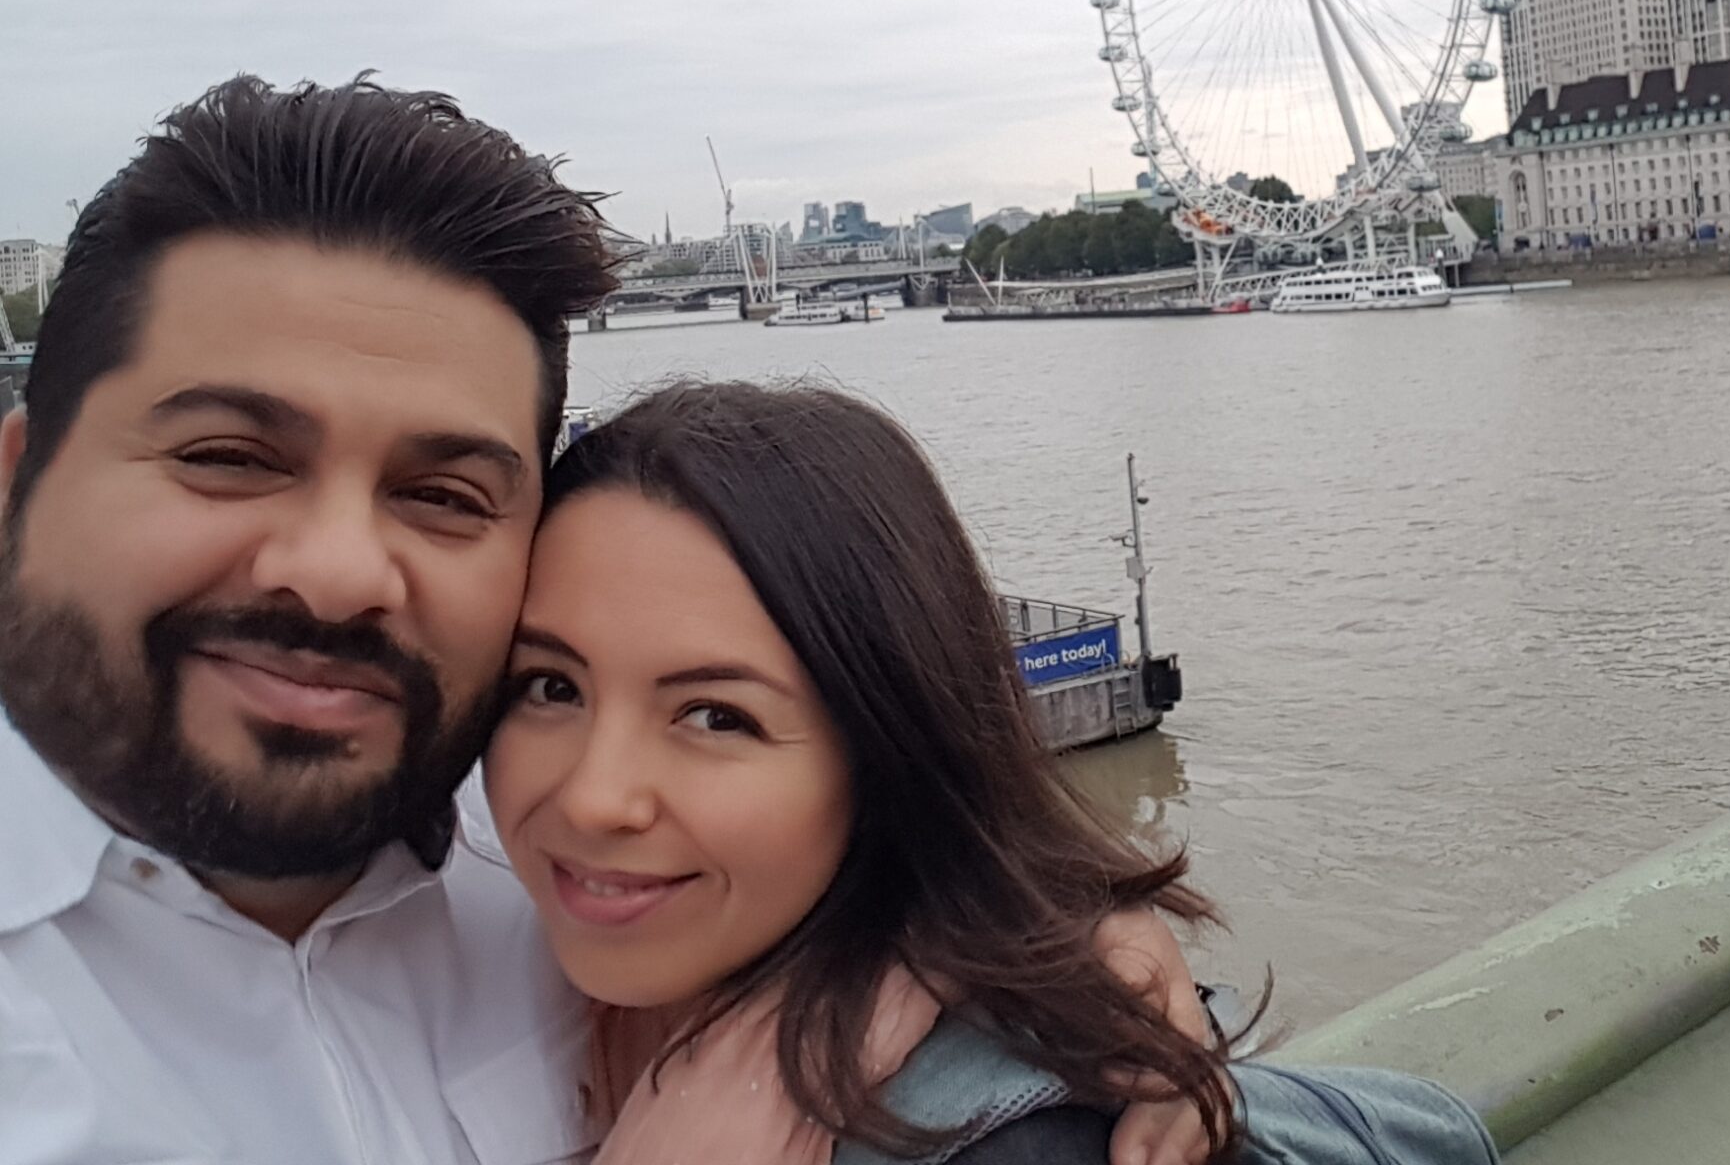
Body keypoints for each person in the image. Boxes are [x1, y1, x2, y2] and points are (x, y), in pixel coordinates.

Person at [0, 75, 1204, 1164]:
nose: (336, 574)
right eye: (227, 457)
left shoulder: (539, 843)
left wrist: (1045, 949)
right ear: (16, 484)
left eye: (441, 495)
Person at [487, 381, 1496, 1165]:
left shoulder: (1014, 1142)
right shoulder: (460, 926)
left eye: (717, 717)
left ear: (887, 751)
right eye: (549, 687)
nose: (594, 796)